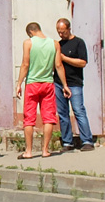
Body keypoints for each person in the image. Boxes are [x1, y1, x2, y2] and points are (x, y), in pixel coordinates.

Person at [15, 22, 70, 159]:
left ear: (30, 33)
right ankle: (45, 150)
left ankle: (28, 151)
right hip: (48, 84)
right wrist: (65, 85)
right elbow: (58, 65)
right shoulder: (55, 43)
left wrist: (19, 83)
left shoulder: (28, 43)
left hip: (32, 84)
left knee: (29, 118)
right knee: (48, 118)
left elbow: (25, 64)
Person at [55, 17, 95, 151]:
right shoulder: (59, 45)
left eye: (63, 32)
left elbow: (82, 62)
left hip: (74, 83)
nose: (61, 34)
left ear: (68, 29)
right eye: (58, 32)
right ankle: (67, 142)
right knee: (62, 113)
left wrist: (64, 58)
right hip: (59, 83)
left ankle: (87, 140)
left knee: (78, 110)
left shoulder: (78, 43)